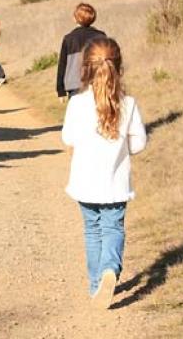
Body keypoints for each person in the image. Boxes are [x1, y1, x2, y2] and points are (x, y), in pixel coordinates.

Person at [61, 37, 147, 309]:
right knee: (113, 227)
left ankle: (97, 284)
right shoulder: (128, 103)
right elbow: (139, 142)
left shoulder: (77, 103)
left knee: (92, 230)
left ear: (85, 69)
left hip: (85, 182)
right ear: (118, 66)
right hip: (116, 183)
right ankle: (111, 268)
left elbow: (68, 139)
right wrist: (122, 150)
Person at [57, 2, 107, 99]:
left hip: (75, 85)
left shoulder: (69, 38)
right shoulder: (101, 36)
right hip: (98, 82)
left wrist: (60, 90)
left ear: (76, 18)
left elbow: (62, 64)